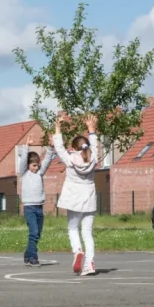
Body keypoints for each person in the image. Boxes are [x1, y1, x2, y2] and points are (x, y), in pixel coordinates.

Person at [53, 114, 103, 276]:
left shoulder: (70, 159)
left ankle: (77, 251)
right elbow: (94, 146)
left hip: (74, 197)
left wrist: (58, 128)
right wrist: (91, 129)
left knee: (73, 228)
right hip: (89, 197)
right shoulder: (93, 157)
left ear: (73, 148)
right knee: (87, 231)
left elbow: (59, 147)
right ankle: (89, 263)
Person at [20, 133, 56, 266]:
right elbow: (23, 161)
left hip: (39, 208)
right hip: (29, 208)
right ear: (29, 165)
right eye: (34, 165)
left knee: (37, 234)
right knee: (33, 232)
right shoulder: (24, 174)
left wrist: (50, 148)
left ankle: (28, 254)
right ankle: (33, 257)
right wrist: (27, 146)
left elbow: (47, 161)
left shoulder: (40, 173)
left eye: (37, 165)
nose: (36, 168)